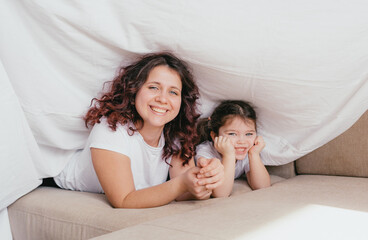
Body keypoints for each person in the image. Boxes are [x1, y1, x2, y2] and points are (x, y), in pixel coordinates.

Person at [52, 52, 225, 208]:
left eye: (173, 92)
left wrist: (204, 177)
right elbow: (124, 200)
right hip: (56, 180)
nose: (163, 99)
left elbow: (185, 192)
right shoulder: (111, 129)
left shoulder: (177, 136)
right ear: (134, 92)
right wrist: (181, 184)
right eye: (153, 87)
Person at [196, 100, 270, 198]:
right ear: (214, 136)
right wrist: (229, 155)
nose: (242, 141)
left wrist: (254, 154)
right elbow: (220, 194)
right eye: (232, 134)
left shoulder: (248, 151)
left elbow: (263, 186)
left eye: (249, 134)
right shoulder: (206, 153)